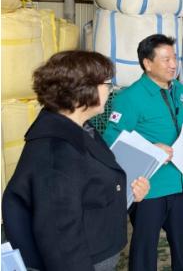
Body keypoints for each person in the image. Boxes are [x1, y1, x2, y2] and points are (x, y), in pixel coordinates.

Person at [2, 50, 150, 271]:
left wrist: (126, 192)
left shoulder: (80, 128)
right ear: (83, 90)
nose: (110, 90)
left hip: (98, 248)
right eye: (106, 84)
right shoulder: (56, 153)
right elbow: (60, 240)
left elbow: (88, 187)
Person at [103, 34, 183, 271]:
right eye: (166, 59)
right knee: (144, 248)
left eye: (174, 58)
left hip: (180, 183)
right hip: (149, 188)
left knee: (182, 242)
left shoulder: (180, 90)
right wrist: (150, 150)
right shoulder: (130, 98)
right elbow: (112, 140)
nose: (173, 64)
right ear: (148, 64)